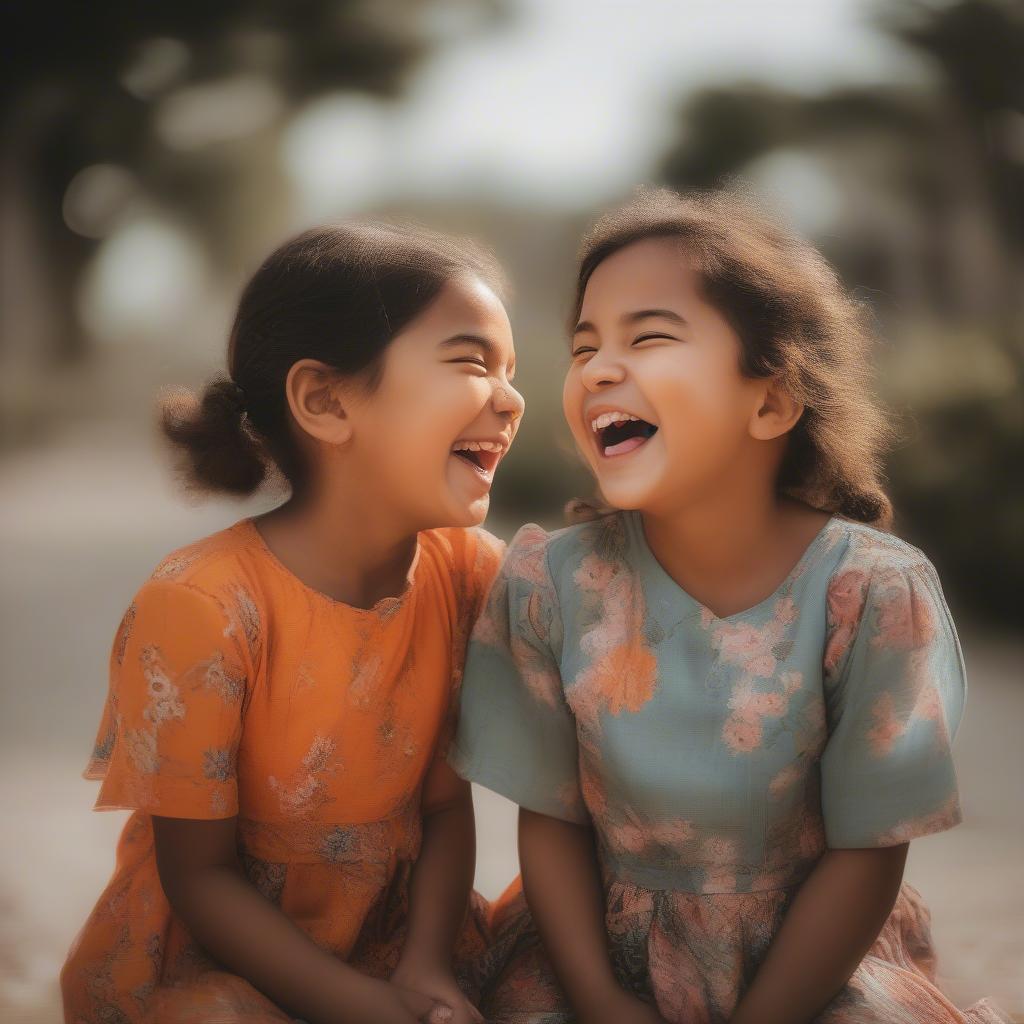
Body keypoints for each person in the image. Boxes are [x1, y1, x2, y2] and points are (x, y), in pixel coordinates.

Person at [451, 188, 1009, 1024]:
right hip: (593, 950)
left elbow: (868, 852)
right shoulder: (551, 586)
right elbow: (553, 823)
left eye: (648, 337)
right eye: (584, 344)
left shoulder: (870, 594)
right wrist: (600, 998)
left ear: (772, 400)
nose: (599, 366)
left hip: (812, 956)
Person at [61, 221, 524, 1024]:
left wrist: (420, 973)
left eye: (512, 371)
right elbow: (199, 879)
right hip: (221, 963)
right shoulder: (202, 606)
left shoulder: (468, 572)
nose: (511, 398)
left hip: (398, 940)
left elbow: (447, 808)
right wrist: (361, 1007)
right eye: (471, 362)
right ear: (325, 400)